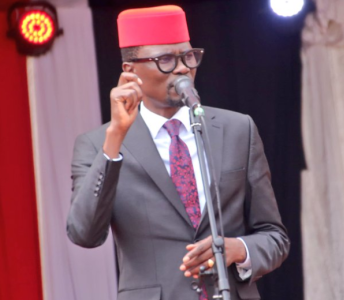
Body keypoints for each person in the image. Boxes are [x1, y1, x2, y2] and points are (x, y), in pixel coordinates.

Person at [66, 5, 290, 300]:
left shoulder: (238, 129)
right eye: (166, 60)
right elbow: (85, 234)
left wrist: (238, 249)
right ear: (130, 72)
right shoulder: (98, 145)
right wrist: (116, 137)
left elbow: (275, 237)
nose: (183, 68)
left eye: (188, 56)